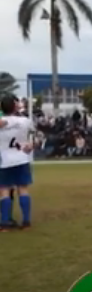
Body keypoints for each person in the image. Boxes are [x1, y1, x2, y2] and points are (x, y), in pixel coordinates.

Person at [0, 96, 34, 231]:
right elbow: (34, 134)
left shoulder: (1, 122)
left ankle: (4, 223)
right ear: (15, 106)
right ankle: (26, 221)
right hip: (21, 158)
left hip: (4, 160)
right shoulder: (25, 121)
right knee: (23, 189)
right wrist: (31, 144)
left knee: (4, 191)